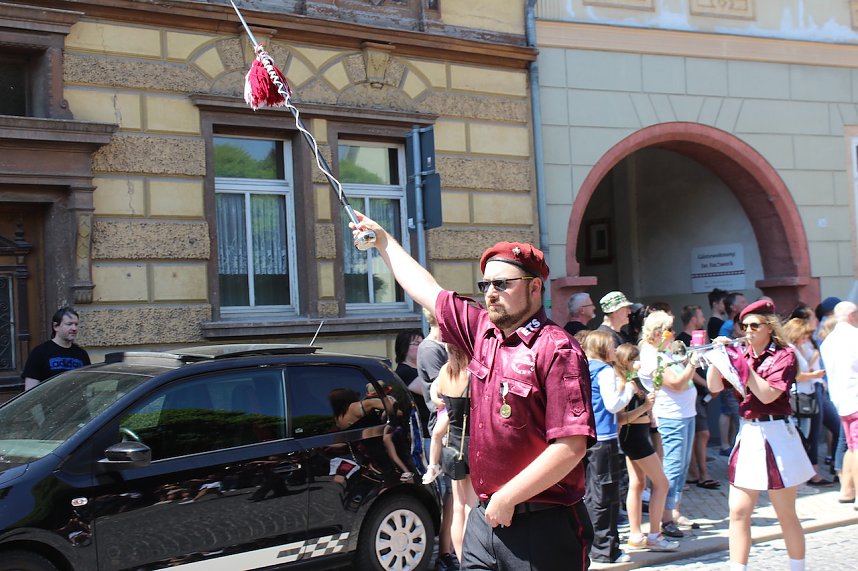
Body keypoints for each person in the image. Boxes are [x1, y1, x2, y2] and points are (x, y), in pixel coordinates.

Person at [351, 212, 596, 570]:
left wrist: (509, 497)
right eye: (486, 286)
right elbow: (428, 290)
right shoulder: (481, 331)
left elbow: (571, 447)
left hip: (543, 523)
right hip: (487, 517)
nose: (491, 294)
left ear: (534, 287)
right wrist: (384, 241)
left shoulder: (558, 350)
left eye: (502, 284)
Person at [707, 299, 815, 571]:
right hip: (750, 433)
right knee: (738, 511)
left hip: (777, 432)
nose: (748, 330)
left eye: (755, 325)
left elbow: (767, 394)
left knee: (785, 513)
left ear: (769, 327)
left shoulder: (784, 354)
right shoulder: (740, 352)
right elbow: (713, 387)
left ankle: (796, 567)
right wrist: (717, 360)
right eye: (744, 326)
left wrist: (743, 366)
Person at [637, 310, 700, 539]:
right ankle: (665, 517)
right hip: (671, 416)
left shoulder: (662, 351)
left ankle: (674, 509)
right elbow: (676, 384)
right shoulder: (652, 355)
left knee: (681, 466)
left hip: (684, 413)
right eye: (669, 329)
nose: (673, 334)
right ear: (657, 332)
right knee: (672, 467)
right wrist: (692, 364)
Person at [614, 343, 679, 553]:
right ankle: (654, 534)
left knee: (638, 483)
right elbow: (621, 419)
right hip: (635, 438)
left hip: (638, 436)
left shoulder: (633, 381)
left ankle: (636, 534)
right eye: (635, 358)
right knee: (661, 482)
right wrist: (645, 408)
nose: (639, 362)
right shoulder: (623, 383)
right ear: (627, 361)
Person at [581, 330, 634, 564]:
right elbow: (612, 404)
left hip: (589, 437)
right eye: (611, 346)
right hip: (605, 438)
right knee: (606, 494)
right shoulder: (604, 371)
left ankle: (593, 545)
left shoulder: (584, 367)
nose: (614, 350)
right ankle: (605, 549)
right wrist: (630, 390)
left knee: (592, 494)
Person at [423, 344, 478, 563]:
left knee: (458, 508)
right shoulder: (475, 371)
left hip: (454, 444)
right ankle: (475, 560)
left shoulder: (447, 371)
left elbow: (436, 397)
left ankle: (464, 561)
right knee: (473, 509)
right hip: (474, 443)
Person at [416, 310, 458, 571]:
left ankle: (453, 550)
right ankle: (445, 554)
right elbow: (442, 394)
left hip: (452, 422)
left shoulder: (442, 346)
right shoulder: (431, 349)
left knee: (456, 497)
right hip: (445, 423)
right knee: (451, 497)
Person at [782, 318, 832, 486]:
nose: (806, 338)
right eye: (803, 335)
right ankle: (803, 476)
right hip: (801, 398)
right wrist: (815, 375)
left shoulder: (797, 348)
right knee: (804, 438)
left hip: (806, 395)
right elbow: (798, 375)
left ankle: (807, 474)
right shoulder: (791, 349)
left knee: (808, 437)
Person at [819, 301, 858, 512]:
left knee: (852, 446)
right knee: (855, 447)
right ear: (853, 315)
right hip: (855, 396)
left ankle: (847, 490)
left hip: (841, 399)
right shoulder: (854, 336)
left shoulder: (829, 340)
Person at [675, 305, 719, 490]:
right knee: (702, 434)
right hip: (692, 392)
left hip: (702, 394)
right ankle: (701, 474)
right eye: (701, 315)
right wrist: (706, 385)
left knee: (698, 434)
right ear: (693, 319)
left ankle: (695, 473)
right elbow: (688, 370)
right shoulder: (681, 341)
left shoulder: (701, 338)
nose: (703, 319)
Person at [22, 306, 91, 390]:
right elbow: (30, 391)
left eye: (76, 324)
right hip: (50, 403)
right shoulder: (39, 353)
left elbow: (87, 386)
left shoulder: (82, 354)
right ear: (56, 326)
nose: (74, 328)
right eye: (69, 324)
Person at [717, 292, 747, 456]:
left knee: (731, 413)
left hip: (737, 383)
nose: (745, 303)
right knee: (731, 413)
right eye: (742, 302)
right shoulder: (728, 326)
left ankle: (730, 445)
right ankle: (727, 445)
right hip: (730, 381)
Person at [395, 329, 429, 437]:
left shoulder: (420, 369)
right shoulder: (405, 371)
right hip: (421, 430)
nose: (422, 347)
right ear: (404, 348)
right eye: (417, 344)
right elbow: (429, 390)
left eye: (423, 343)